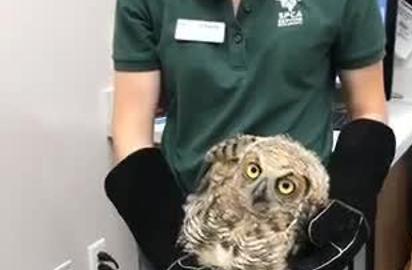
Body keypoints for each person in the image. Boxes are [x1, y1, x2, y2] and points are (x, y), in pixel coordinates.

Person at [105, 0, 396, 269]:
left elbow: (368, 109)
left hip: (300, 234)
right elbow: (131, 131)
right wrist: (174, 250)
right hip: (183, 228)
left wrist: (348, 205)